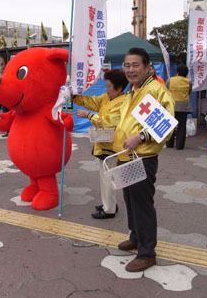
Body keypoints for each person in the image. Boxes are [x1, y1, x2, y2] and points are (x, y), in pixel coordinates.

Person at [113, 48, 175, 272]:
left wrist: (140, 137)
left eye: (135, 65)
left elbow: (166, 124)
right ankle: (136, 237)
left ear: (148, 67)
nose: (130, 69)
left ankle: (147, 252)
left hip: (143, 157)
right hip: (125, 156)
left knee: (142, 204)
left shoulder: (155, 90)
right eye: (127, 65)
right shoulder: (132, 90)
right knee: (130, 199)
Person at [73, 69, 128, 219]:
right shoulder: (106, 98)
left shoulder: (123, 102)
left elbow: (109, 122)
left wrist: (89, 115)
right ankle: (109, 203)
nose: (106, 89)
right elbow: (91, 101)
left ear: (119, 88)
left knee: (107, 177)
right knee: (105, 176)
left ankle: (109, 209)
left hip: (112, 145)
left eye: (109, 86)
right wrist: (74, 96)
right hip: (103, 141)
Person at [166, 64, 192, 150]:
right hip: (183, 106)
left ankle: (169, 144)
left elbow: (165, 90)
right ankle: (179, 146)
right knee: (182, 126)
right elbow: (189, 91)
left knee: (170, 125)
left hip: (172, 105)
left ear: (177, 72)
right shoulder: (188, 82)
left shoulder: (170, 80)